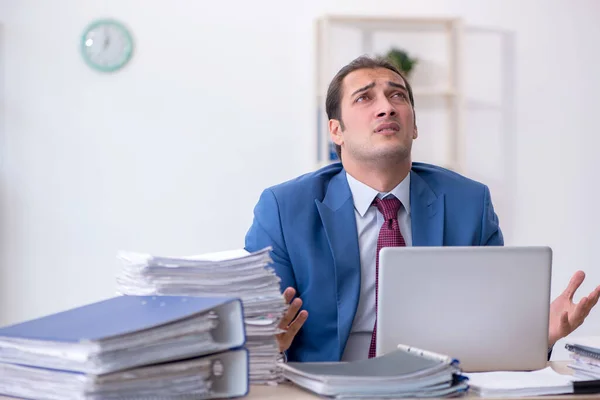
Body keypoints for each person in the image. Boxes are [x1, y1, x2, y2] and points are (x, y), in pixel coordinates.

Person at [244, 55, 600, 363]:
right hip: (323, 388)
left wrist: (541, 336)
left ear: (414, 126)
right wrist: (264, 343)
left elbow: (489, 326)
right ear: (336, 130)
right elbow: (263, 333)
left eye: (397, 95)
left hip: (437, 387)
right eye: (364, 98)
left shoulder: (469, 203)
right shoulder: (284, 209)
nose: (386, 106)